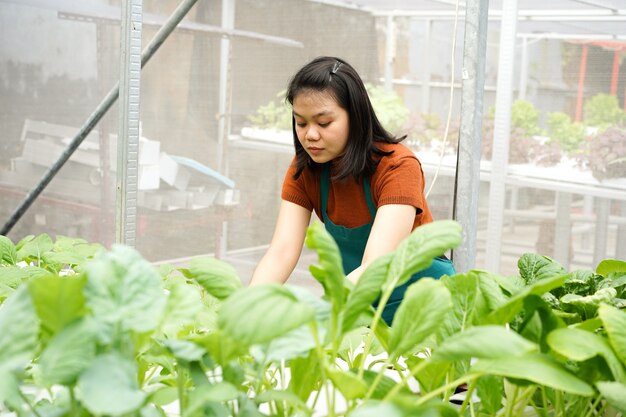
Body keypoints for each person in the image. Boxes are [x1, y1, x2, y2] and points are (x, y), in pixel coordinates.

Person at [249, 56, 455, 325]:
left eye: (323, 123)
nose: (310, 135)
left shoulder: (397, 167)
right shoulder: (306, 170)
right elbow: (282, 251)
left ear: (355, 116)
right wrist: (246, 311)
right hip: (361, 306)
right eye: (301, 123)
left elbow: (376, 264)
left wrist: (317, 318)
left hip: (425, 308)